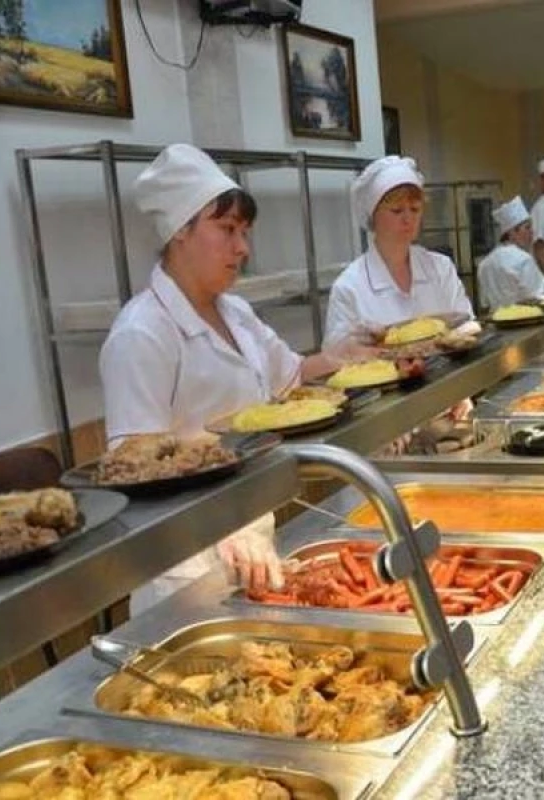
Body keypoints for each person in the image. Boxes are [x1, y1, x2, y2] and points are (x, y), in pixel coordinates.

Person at [100, 144, 375, 615]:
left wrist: (338, 357)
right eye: (227, 229)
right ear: (180, 231)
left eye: (244, 232)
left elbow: (289, 377)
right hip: (184, 571)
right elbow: (134, 471)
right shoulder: (141, 334)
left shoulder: (236, 312)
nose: (243, 248)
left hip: (252, 542)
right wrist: (218, 529)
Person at [324, 155, 473, 347]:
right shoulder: (349, 288)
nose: (408, 219)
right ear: (373, 216)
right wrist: (358, 345)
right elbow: (336, 355)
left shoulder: (441, 269)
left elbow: (468, 327)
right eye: (396, 210)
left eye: (415, 209)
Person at [477, 196, 544, 309]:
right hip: (526, 317)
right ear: (512, 232)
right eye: (527, 228)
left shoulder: (484, 264)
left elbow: (484, 303)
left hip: (497, 318)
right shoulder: (523, 260)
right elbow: (538, 296)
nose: (532, 232)